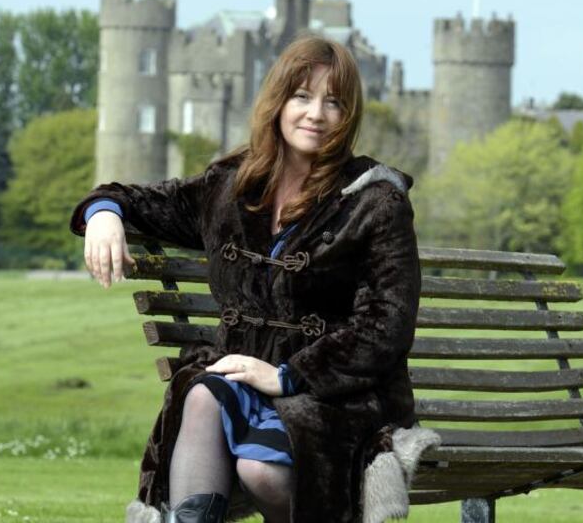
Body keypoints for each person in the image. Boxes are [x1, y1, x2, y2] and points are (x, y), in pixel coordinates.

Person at [69, 36, 422, 523]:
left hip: (334, 395)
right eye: (302, 96)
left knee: (261, 470)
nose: (316, 113)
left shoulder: (374, 201)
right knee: (202, 393)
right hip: (242, 381)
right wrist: (104, 212)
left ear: (349, 114)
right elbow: (138, 198)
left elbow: (387, 327)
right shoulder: (231, 185)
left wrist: (286, 376)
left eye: (333, 102)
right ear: (278, 101)